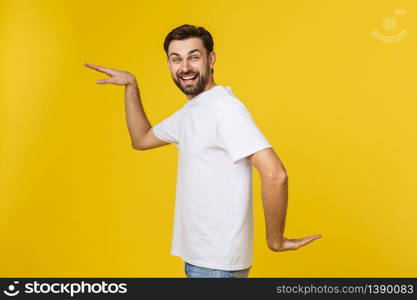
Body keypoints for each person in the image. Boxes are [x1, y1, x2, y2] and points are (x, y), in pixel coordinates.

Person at [84, 24, 322, 278]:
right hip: (202, 260)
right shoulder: (194, 110)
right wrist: (131, 86)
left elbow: (275, 173)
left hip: (217, 265)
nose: (185, 67)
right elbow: (141, 139)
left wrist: (276, 240)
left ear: (211, 59)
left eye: (194, 57)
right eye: (177, 59)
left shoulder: (224, 110)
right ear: (168, 64)